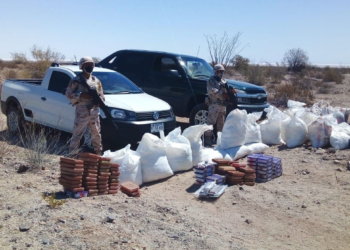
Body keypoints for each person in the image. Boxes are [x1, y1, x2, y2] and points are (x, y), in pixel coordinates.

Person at [65, 56, 105, 156]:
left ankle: (98, 152)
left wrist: (100, 100)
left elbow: (101, 94)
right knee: (77, 134)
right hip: (82, 110)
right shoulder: (76, 80)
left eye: (91, 64)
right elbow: (68, 94)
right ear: (82, 66)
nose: (89, 67)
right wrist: (80, 95)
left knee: (96, 134)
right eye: (86, 65)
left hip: (94, 111)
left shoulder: (96, 81)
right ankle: (73, 154)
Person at [204, 64, 230, 147]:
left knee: (221, 124)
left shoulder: (223, 81)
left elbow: (227, 90)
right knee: (210, 123)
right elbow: (211, 90)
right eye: (219, 71)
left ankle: (219, 140)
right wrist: (222, 93)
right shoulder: (212, 80)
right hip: (214, 104)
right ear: (215, 71)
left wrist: (229, 94)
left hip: (222, 105)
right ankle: (207, 139)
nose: (221, 73)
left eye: (222, 71)